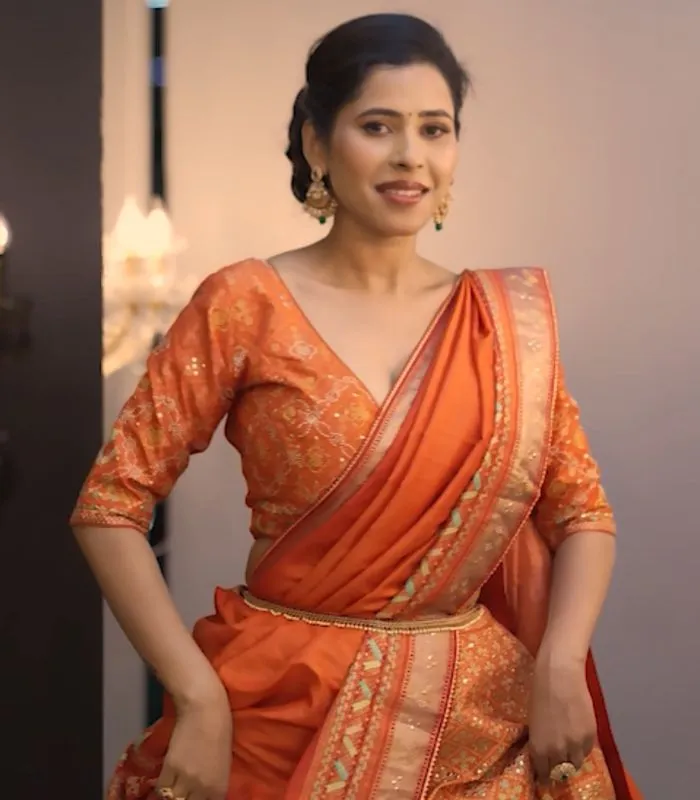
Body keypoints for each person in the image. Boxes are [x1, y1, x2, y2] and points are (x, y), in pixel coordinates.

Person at [71, 13, 643, 800]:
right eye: (378, 126)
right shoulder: (245, 303)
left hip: (478, 727)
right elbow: (108, 505)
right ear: (317, 143)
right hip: (279, 706)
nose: (411, 155)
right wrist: (196, 693)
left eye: (434, 129)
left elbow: (582, 514)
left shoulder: (504, 327)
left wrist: (560, 662)